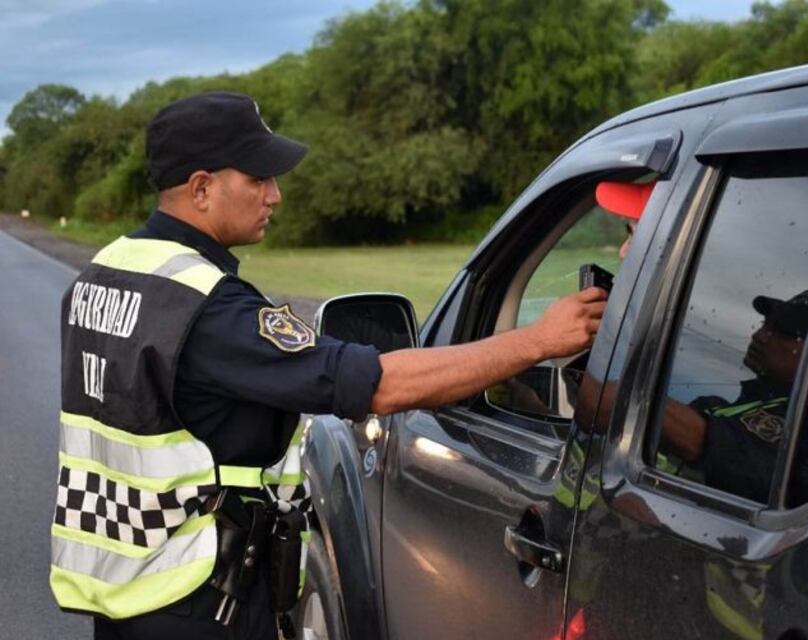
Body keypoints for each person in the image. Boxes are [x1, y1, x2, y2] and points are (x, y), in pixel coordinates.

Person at [51, 92, 607, 640]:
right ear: (202, 188)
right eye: (258, 179)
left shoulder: (107, 271)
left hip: (128, 586)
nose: (276, 195)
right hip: (199, 598)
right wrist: (537, 340)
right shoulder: (208, 309)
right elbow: (380, 386)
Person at [594, 180, 808, 507]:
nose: (760, 335)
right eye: (765, 324)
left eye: (785, 332)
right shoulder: (745, 402)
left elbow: (702, 440)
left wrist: (610, 393)